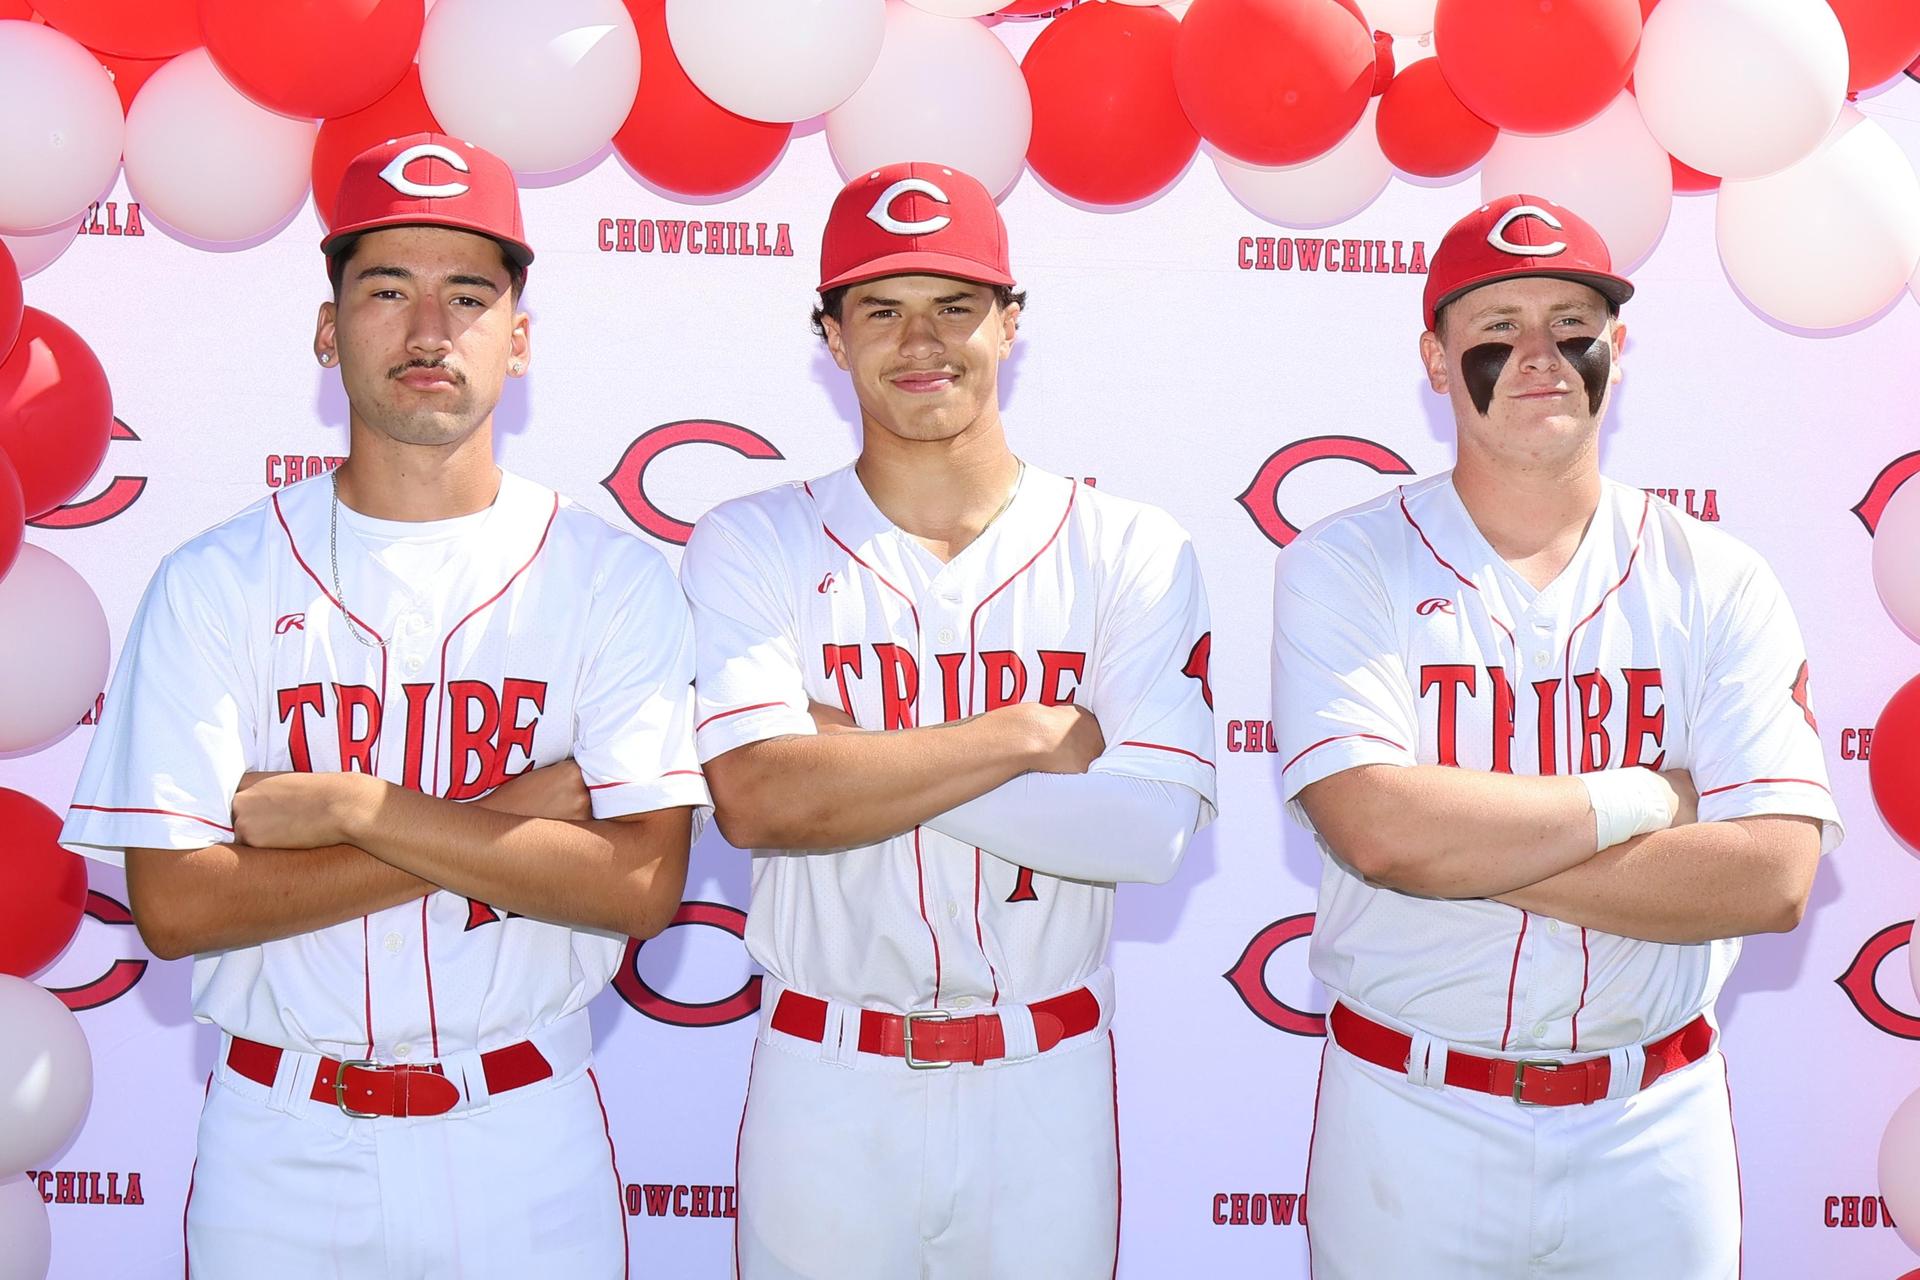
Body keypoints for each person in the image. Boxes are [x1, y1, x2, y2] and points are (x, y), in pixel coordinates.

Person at [59, 132, 707, 1278]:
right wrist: (507, 818)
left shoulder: (609, 577)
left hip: (526, 1140)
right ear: (326, 328)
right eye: (386, 289)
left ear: (518, 338)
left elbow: (642, 884)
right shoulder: (216, 579)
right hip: (281, 1145)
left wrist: (360, 804)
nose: (427, 331)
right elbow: (175, 906)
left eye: (468, 294)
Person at [1271, 193, 1844, 1278]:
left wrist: (1463, 839)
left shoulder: (1716, 576)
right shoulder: (1345, 563)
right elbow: (1381, 833)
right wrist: (1646, 798)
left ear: (1614, 351)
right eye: (1496, 329)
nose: (1539, 353)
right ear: (1436, 362)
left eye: (1570, 321)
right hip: (1412, 1112)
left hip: (1652, 1123)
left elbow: (1771, 877)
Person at [677, 161, 1217, 1279]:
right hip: (827, 1072)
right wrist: (1022, 736)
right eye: (881, 308)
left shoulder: (1129, 548)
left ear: (1011, 322)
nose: (921, 341)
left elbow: (1150, 832)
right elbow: (761, 799)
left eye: (955, 305)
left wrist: (850, 759)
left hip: (1044, 1073)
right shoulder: (752, 540)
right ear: (831, 334)